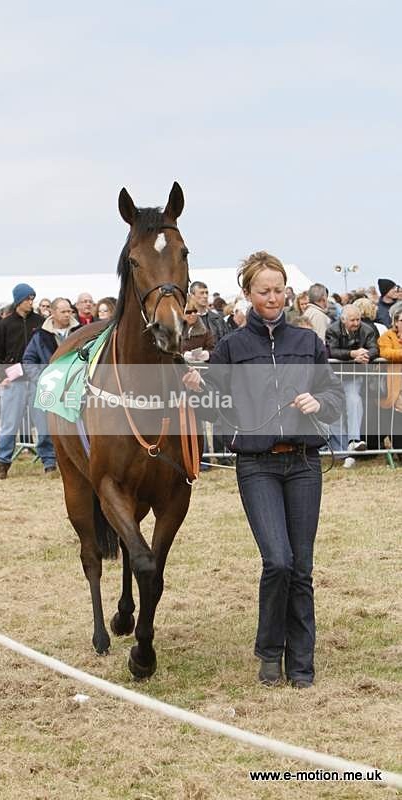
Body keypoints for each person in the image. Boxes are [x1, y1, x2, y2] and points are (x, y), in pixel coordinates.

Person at [183, 251, 344, 688]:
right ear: (248, 294)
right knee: (278, 560)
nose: (273, 298)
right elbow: (214, 409)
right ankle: (270, 651)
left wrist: (320, 403)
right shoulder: (231, 347)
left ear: (286, 290)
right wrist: (199, 387)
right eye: (263, 291)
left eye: (278, 290)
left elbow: (334, 396)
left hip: (304, 462)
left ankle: (301, 664)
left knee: (302, 567)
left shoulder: (308, 341)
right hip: (256, 464)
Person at [0, 283, 55, 478]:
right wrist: (1, 377)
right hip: (15, 381)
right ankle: (2, 464)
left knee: (44, 425)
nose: (31, 302)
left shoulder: (42, 322)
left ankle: (49, 462)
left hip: (38, 380)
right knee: (10, 425)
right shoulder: (5, 324)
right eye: (28, 298)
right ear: (18, 300)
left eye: (32, 298)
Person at [325, 304, 378, 466]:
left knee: (354, 401)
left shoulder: (367, 330)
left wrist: (365, 355)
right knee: (336, 413)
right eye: (352, 320)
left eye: (358, 319)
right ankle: (342, 452)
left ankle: (354, 440)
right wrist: (351, 354)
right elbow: (332, 351)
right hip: (334, 376)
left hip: (354, 376)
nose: (356, 323)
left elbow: (375, 348)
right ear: (343, 319)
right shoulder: (332, 330)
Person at [378, 306, 402, 451]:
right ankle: (399, 449)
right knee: (398, 414)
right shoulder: (387, 336)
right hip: (394, 382)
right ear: (395, 321)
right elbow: (386, 352)